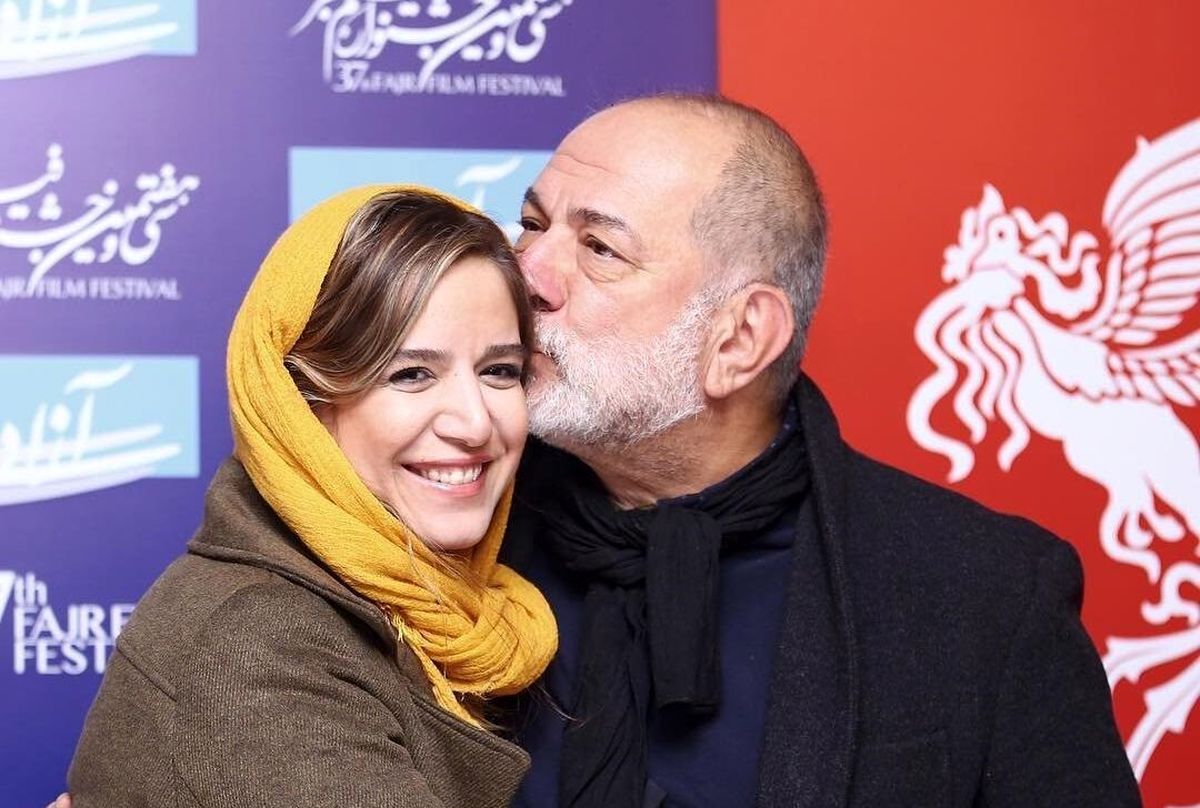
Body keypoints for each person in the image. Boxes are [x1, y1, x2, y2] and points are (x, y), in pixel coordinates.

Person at [498, 94, 1143, 807]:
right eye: (532, 225)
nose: (527, 273)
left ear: (740, 340)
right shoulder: (440, 531)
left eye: (600, 249)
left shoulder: (986, 597)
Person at [64, 185, 558, 807]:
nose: (476, 423)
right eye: (411, 374)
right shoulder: (258, 641)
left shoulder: (438, 610)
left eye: (500, 371)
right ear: (298, 403)